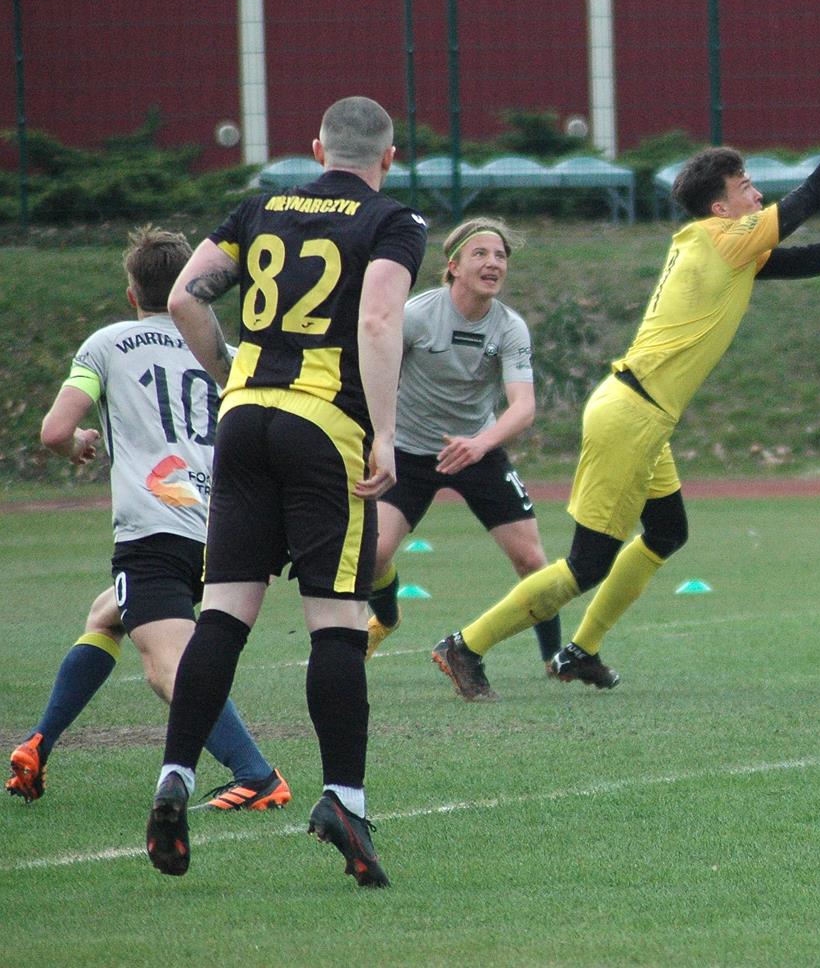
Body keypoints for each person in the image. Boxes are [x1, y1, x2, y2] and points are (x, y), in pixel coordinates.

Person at [430, 55, 820, 701]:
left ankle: (581, 650)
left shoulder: (714, 245)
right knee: (584, 565)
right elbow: (808, 199)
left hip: (641, 413)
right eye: (746, 188)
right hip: (630, 415)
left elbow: (794, 261)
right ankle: (465, 646)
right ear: (721, 207)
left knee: (666, 532)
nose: (757, 197)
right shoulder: (722, 239)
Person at [148, 96, 427, 888]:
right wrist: (381, 429)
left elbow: (183, 298)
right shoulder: (392, 220)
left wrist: (233, 372)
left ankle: (175, 775)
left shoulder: (262, 206)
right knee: (337, 622)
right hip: (322, 429)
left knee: (223, 615)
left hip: (242, 422)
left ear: (316, 148)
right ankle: (343, 799)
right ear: (389, 157)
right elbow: (377, 322)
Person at [7, 227, 290, 812]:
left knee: (169, 670)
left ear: (131, 294)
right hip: (226, 527)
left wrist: (78, 443)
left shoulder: (109, 343)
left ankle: (257, 774)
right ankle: (39, 743)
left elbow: (56, 430)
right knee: (107, 613)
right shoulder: (227, 354)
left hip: (157, 527)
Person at [364, 216, 561, 669]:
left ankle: (555, 658)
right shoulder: (417, 316)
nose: (493, 263)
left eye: (500, 256)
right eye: (481, 254)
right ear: (453, 265)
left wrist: (480, 444)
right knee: (373, 555)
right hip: (410, 452)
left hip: (477, 450)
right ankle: (387, 620)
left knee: (533, 560)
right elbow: (376, 374)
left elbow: (523, 406)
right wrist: (381, 439)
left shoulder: (510, 328)